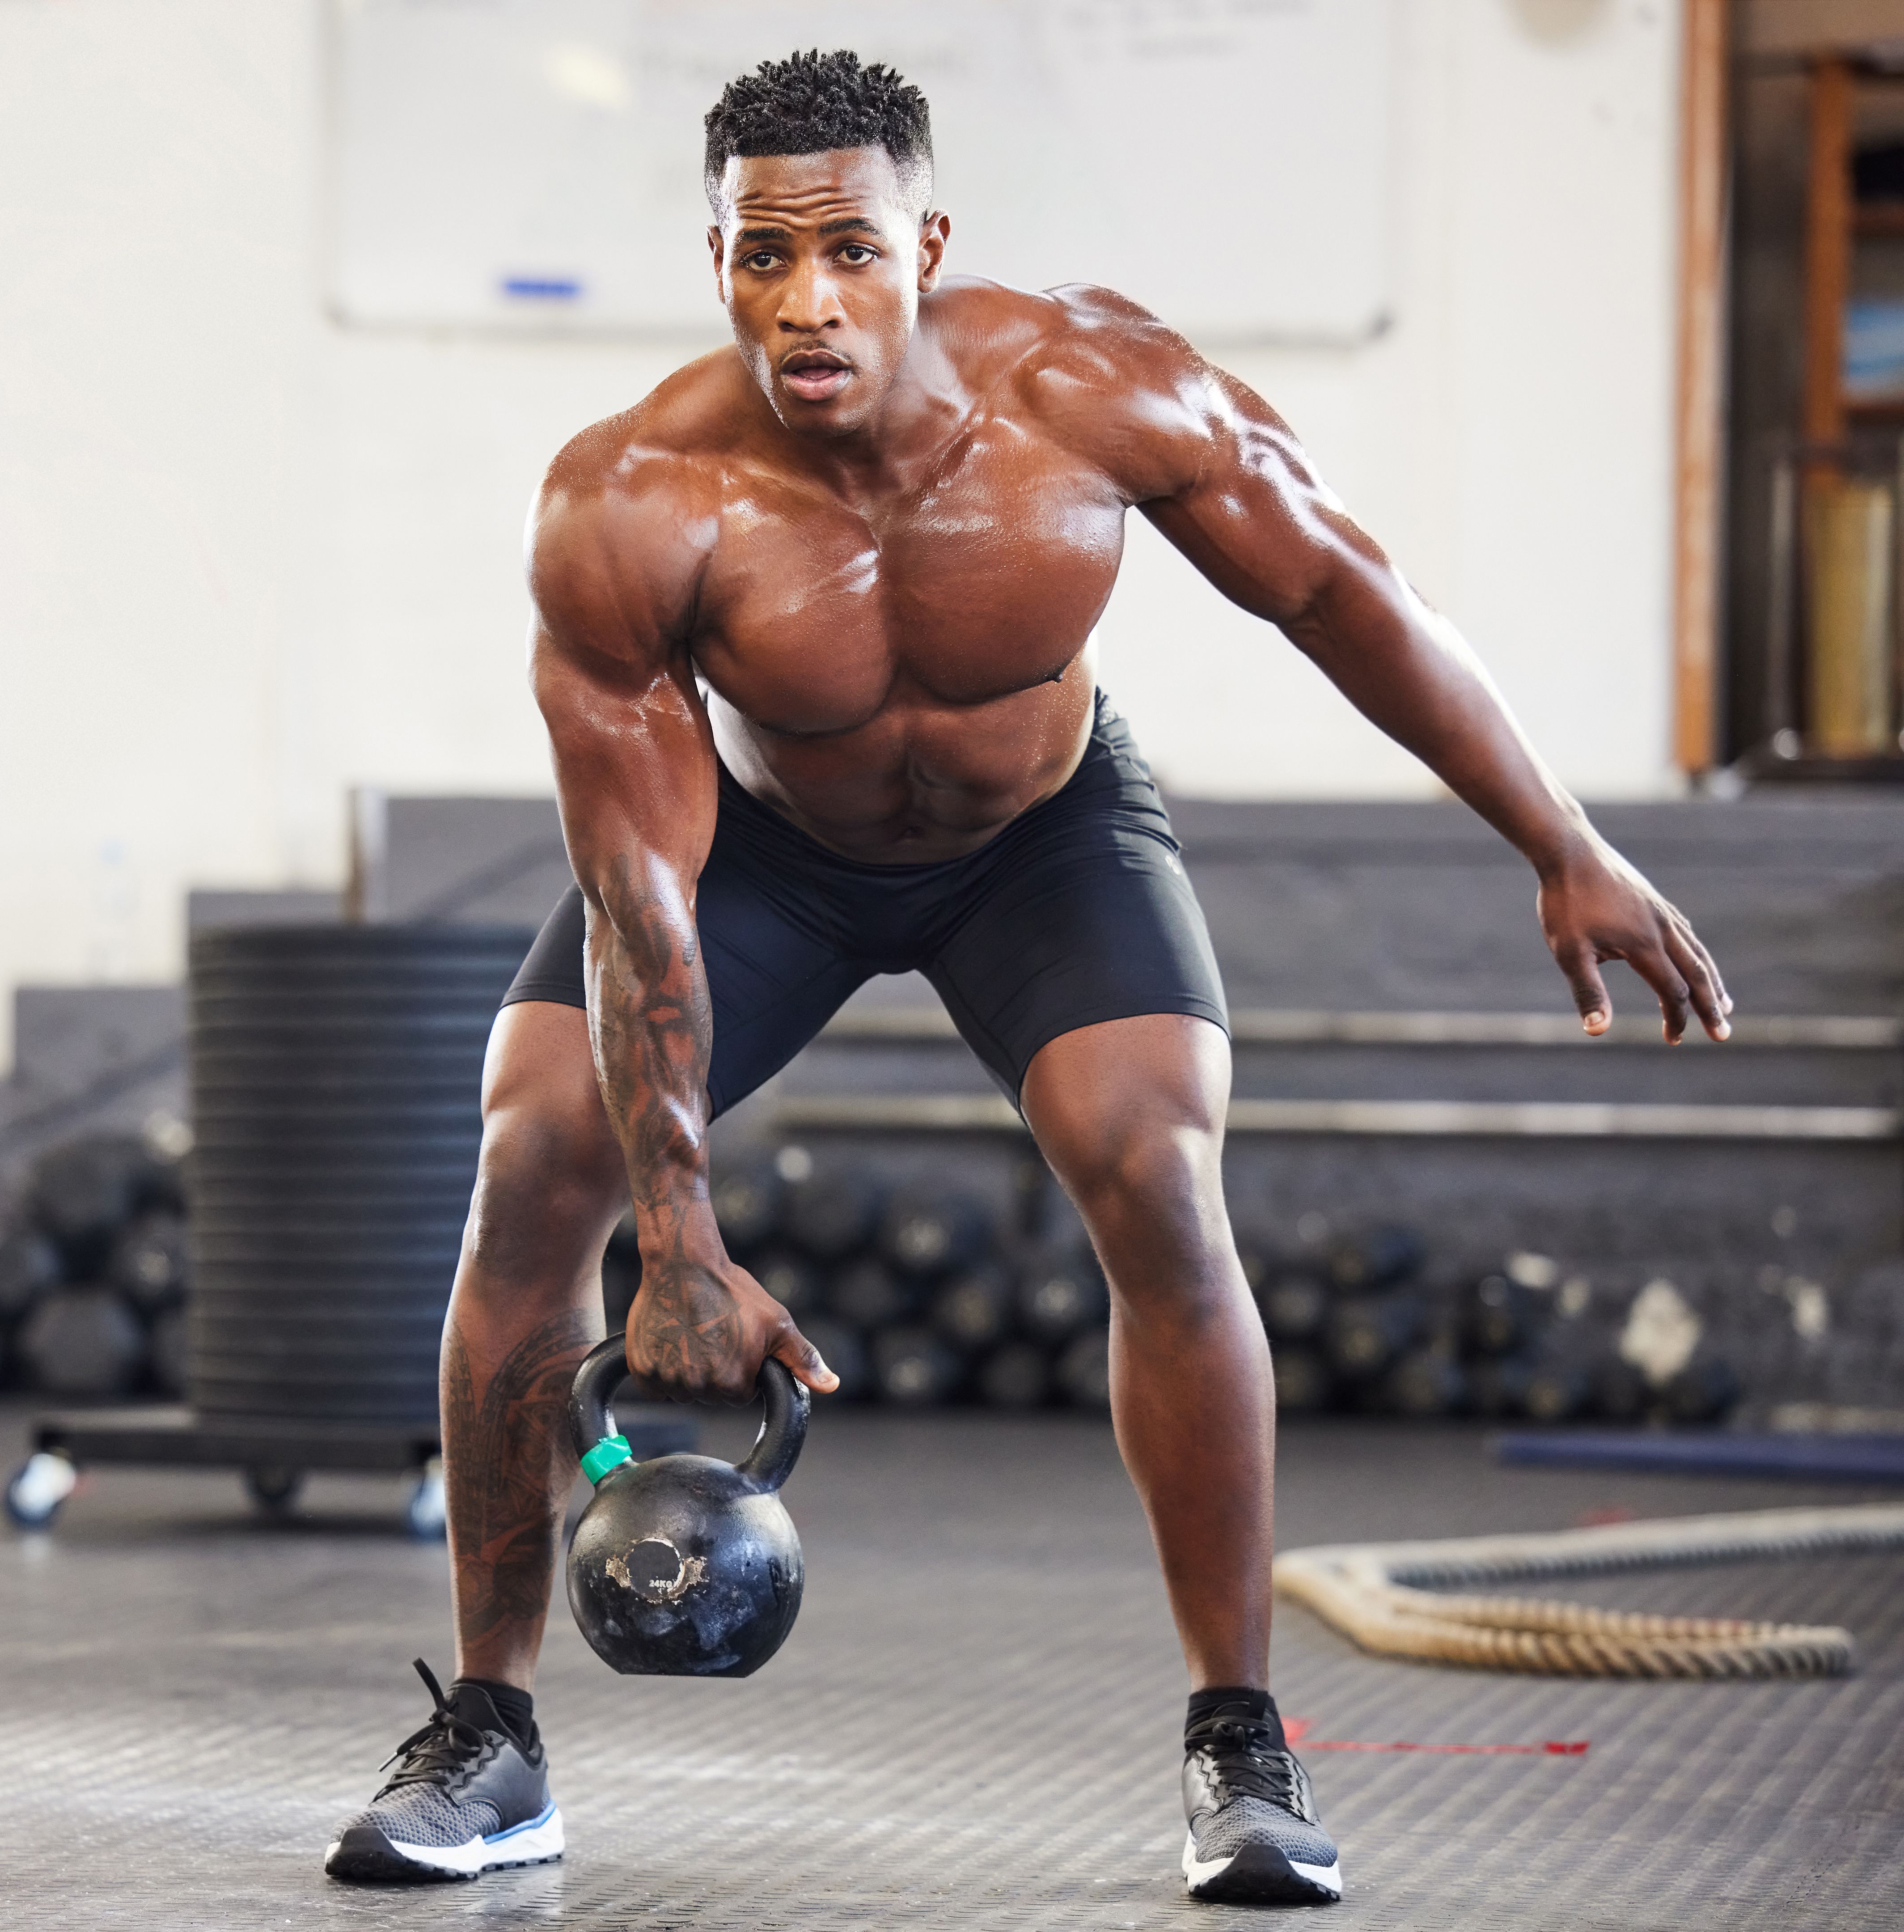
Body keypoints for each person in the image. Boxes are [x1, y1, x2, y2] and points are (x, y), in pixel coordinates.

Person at [321, 48, 1732, 1907]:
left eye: (846, 250)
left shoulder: (1091, 390)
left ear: (931, 241)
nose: (804, 302)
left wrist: (1559, 838)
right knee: (531, 1166)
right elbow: (639, 891)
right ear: (716, 259)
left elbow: (1341, 594)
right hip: (759, 858)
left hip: (1040, 840)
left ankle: (1239, 1745)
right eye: (758, 258)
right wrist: (672, 1235)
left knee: (1158, 1171)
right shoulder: (633, 504)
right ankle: (491, 1741)